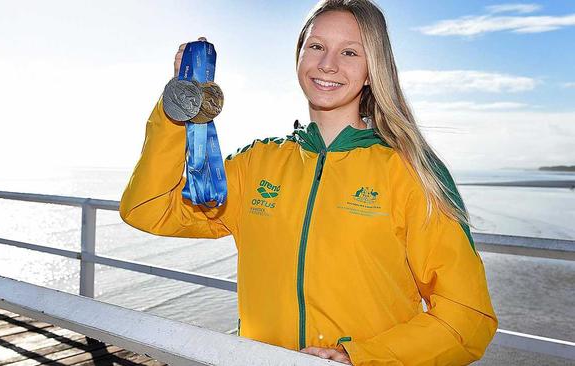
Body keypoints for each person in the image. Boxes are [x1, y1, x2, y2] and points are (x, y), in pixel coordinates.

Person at [119, 0, 498, 364]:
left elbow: (466, 317)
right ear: (299, 56)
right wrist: (176, 112)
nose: (328, 64)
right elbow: (149, 210)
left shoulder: (412, 172)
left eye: (350, 52)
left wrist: (363, 357)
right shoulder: (258, 164)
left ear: (373, 70)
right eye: (316, 46)